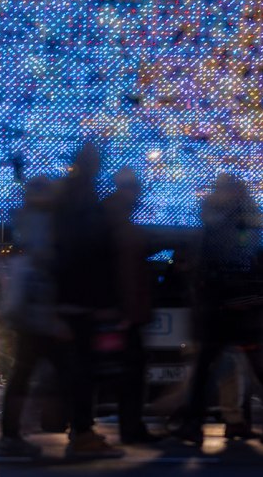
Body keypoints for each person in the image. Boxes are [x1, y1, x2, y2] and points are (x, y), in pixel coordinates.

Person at [171, 175, 263, 447]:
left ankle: (194, 424)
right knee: (255, 370)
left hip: (222, 308)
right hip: (240, 308)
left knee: (209, 368)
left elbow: (217, 264)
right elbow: (251, 261)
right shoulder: (244, 223)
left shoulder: (217, 224)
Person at [51, 144, 125, 461]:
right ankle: (81, 431)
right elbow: (89, 249)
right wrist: (104, 296)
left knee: (80, 367)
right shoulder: (82, 197)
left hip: (72, 296)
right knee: (83, 368)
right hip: (79, 297)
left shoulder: (73, 193)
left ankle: (79, 428)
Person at [0, 175, 70, 458]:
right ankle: (22, 430)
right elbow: (42, 270)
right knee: (54, 371)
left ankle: (18, 430)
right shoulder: (40, 225)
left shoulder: (28, 221)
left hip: (31, 315)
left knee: (26, 374)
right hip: (37, 315)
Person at [105, 168, 157, 444]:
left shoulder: (113, 218)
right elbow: (126, 272)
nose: (137, 196)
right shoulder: (122, 226)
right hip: (125, 315)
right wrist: (125, 310)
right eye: (135, 189)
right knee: (131, 375)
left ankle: (128, 426)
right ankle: (131, 428)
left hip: (121, 313)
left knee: (125, 374)